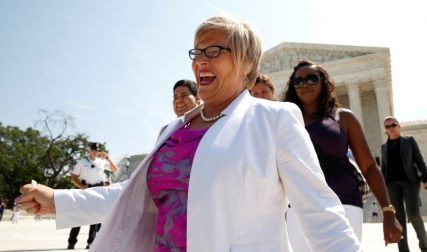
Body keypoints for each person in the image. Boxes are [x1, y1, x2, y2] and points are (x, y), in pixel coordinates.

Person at [18, 16, 385, 252]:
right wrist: (58, 200)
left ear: (246, 62)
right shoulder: (172, 131)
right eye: (197, 52)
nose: (200, 61)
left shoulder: (274, 120)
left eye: (214, 50)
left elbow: (320, 212)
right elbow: (131, 194)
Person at [282, 60, 402, 250]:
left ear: (323, 82)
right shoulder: (285, 120)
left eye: (311, 79)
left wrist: (388, 210)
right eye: (298, 81)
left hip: (343, 201)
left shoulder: (343, 117)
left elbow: (369, 166)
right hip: (299, 206)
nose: (305, 84)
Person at [381, 116, 427, 252]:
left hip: (410, 181)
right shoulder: (384, 147)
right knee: (398, 218)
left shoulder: (409, 141)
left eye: (393, 125)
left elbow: (419, 161)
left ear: (399, 126)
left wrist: (426, 178)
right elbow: (384, 168)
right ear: (385, 130)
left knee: (413, 213)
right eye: (387, 126)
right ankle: (403, 250)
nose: (391, 128)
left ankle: (424, 245)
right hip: (391, 184)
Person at [67, 142, 118, 250]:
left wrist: (108, 158)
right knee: (79, 216)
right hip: (84, 189)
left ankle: (91, 242)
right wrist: (81, 187)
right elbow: (73, 177)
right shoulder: (82, 162)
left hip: (98, 189)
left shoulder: (101, 162)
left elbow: (114, 169)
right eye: (94, 150)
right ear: (90, 150)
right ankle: (72, 242)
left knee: (95, 217)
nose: (96, 152)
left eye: (98, 150)